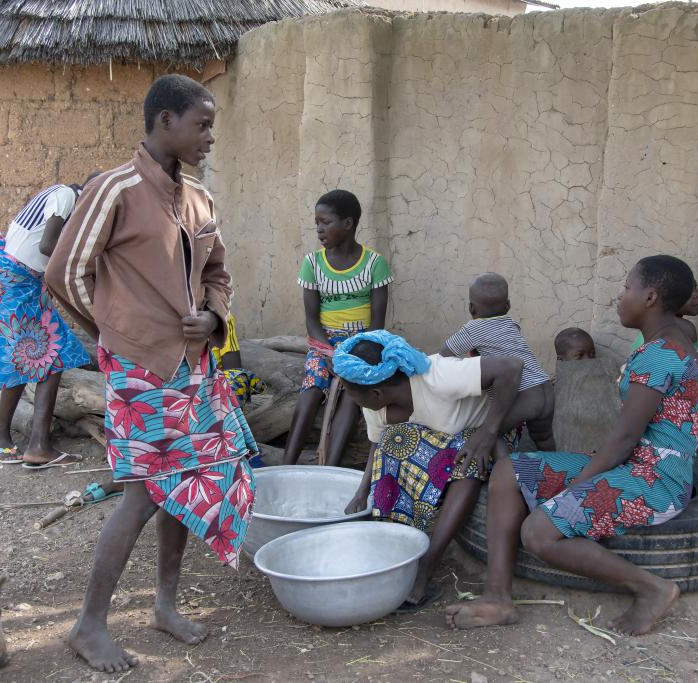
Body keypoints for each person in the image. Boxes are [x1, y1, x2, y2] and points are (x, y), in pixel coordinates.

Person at [45, 74, 258, 674]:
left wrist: (213, 318)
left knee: (184, 485)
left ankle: (164, 605)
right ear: (166, 121)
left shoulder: (198, 198)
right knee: (142, 494)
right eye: (203, 124)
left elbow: (219, 273)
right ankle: (89, 625)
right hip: (141, 370)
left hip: (193, 367)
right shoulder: (113, 189)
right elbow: (65, 274)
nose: (210, 136)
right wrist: (117, 333)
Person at [445, 255, 698, 636]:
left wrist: (579, 485)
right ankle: (497, 597)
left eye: (626, 288)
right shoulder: (673, 340)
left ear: (651, 297)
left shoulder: (659, 356)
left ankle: (651, 588)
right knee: (509, 470)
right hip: (635, 466)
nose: (619, 296)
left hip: (656, 482)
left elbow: (622, 440)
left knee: (538, 533)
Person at [335, 330, 523, 613]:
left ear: (375, 393)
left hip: (483, 438)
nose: (350, 399)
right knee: (391, 442)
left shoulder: (438, 375)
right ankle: (401, 548)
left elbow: (512, 368)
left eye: (350, 394)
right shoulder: (374, 405)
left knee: (465, 456)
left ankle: (426, 567)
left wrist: (489, 431)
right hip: (438, 443)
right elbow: (376, 447)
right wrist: (361, 493)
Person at [0, 176, 96, 468]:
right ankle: (31, 443)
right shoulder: (66, 196)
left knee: (38, 357)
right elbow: (47, 247)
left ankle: (18, 440)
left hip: (16, 282)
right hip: (14, 283)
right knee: (49, 355)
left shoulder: (64, 198)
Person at [282, 190, 392, 466]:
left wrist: (351, 354)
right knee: (311, 388)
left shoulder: (374, 264)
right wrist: (329, 352)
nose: (319, 229)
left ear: (348, 223)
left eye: (326, 222)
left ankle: (328, 468)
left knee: (352, 394)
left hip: (363, 342)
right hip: (325, 342)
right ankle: (286, 463)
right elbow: (312, 320)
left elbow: (377, 325)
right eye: (316, 222)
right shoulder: (313, 264)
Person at [440, 272, 554, 450]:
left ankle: (501, 472)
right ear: (508, 305)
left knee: (488, 434)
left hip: (524, 397)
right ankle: (553, 471)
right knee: (544, 438)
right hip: (546, 388)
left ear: (471, 308)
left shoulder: (473, 329)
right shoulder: (511, 324)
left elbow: (443, 356)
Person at [629, 287, 698, 431]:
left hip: (654, 401)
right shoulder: (684, 329)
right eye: (689, 290)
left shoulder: (658, 326)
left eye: (695, 287)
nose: (696, 295)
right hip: (660, 403)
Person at [211, 312, 266, 408]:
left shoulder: (222, 317)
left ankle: (231, 419)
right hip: (181, 389)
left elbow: (234, 371)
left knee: (237, 378)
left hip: (210, 386)